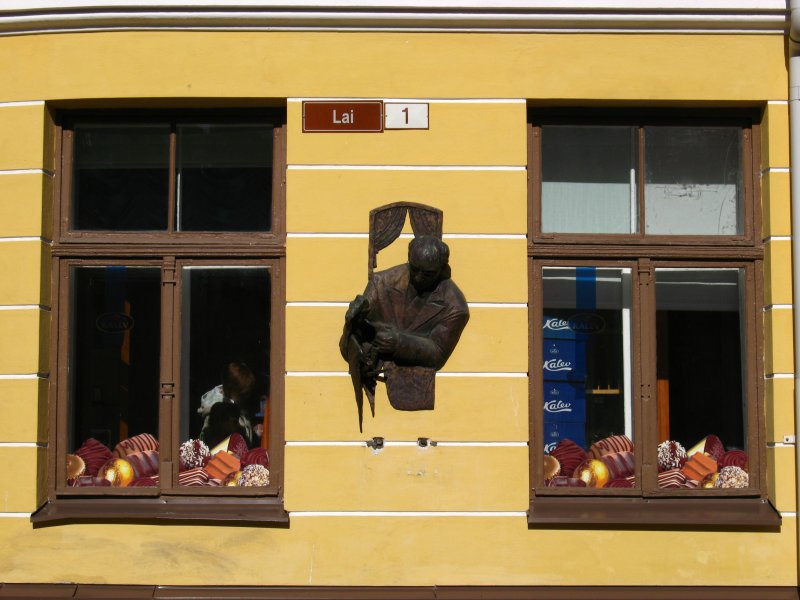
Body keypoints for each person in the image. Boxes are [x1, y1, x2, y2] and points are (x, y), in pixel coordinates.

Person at [340, 235, 469, 412]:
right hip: (374, 379)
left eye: (428, 274)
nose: (418, 277)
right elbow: (352, 342)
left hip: (414, 390)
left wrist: (399, 343)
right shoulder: (382, 282)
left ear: (442, 269)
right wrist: (353, 322)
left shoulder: (455, 307)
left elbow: (438, 353)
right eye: (414, 269)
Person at [197, 361, 256, 447]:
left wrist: (252, 431)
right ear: (230, 389)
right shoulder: (219, 413)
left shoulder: (234, 402)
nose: (245, 397)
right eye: (242, 394)